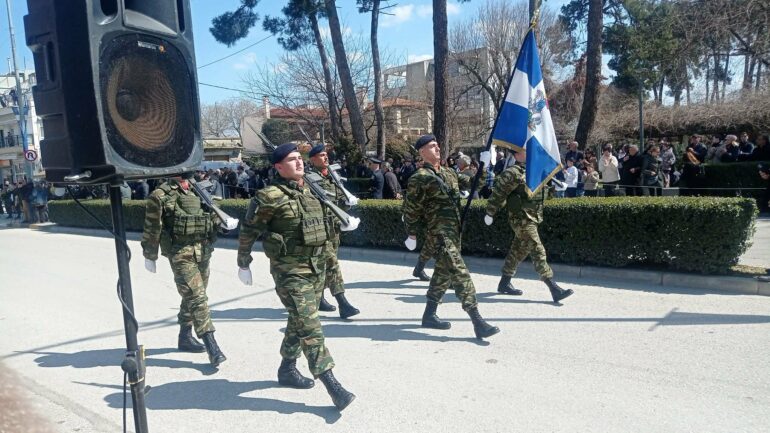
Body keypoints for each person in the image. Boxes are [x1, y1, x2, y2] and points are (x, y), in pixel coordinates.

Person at [236, 143, 356, 411]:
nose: (299, 163)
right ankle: (332, 384)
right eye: (292, 160)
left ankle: (287, 368)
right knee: (310, 326)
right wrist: (243, 263)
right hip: (289, 272)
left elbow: (324, 227)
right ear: (279, 167)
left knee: (298, 320)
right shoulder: (269, 196)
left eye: (299, 159)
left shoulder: (313, 189)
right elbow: (248, 231)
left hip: (316, 268)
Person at [402, 134, 500, 339]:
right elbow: (410, 209)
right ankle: (477, 320)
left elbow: (474, 184)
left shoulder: (449, 173)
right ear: (421, 152)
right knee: (459, 271)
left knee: (443, 274)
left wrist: (484, 165)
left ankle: (429, 315)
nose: (437, 148)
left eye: (437, 145)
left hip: (455, 233)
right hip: (438, 235)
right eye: (431, 146)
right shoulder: (419, 177)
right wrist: (411, 233)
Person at [141, 174, 229, 367]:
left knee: (193, 295)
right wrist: (150, 254)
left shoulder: (200, 190)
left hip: (203, 250)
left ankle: (184, 336)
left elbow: (211, 215)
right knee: (197, 297)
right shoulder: (160, 195)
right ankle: (211, 344)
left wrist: (221, 221)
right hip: (180, 253)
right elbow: (152, 227)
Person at [484, 148, 574, 303]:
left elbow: (541, 193)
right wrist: (490, 213)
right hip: (520, 218)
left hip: (534, 216)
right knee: (536, 247)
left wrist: (555, 189)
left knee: (519, 249)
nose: (531, 152)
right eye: (526, 150)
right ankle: (554, 287)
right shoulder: (512, 173)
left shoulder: (534, 171)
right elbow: (498, 194)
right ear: (517, 154)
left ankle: (504, 283)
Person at [306, 143, 361, 318]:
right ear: (313, 160)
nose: (326, 157)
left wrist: (348, 203)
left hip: (334, 229)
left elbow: (338, 201)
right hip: (320, 229)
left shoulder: (332, 176)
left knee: (325, 265)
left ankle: (319, 298)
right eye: (321, 155)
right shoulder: (310, 179)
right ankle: (342, 302)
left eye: (325, 154)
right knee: (332, 265)